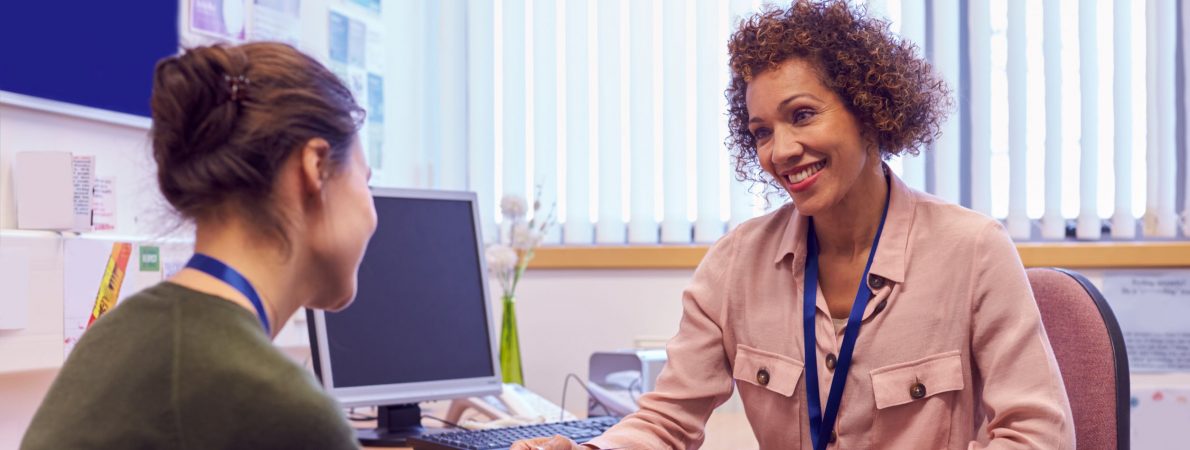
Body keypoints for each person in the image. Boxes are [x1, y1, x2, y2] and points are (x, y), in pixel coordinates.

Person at [515, 1, 1074, 449]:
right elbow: (665, 424)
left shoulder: (971, 250)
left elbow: (1038, 434)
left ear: (869, 109)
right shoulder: (737, 265)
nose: (780, 151)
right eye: (761, 131)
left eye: (802, 115)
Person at [22, 42, 375, 449]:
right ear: (315, 168)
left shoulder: (113, 336)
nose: (373, 215)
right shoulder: (281, 408)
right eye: (366, 183)